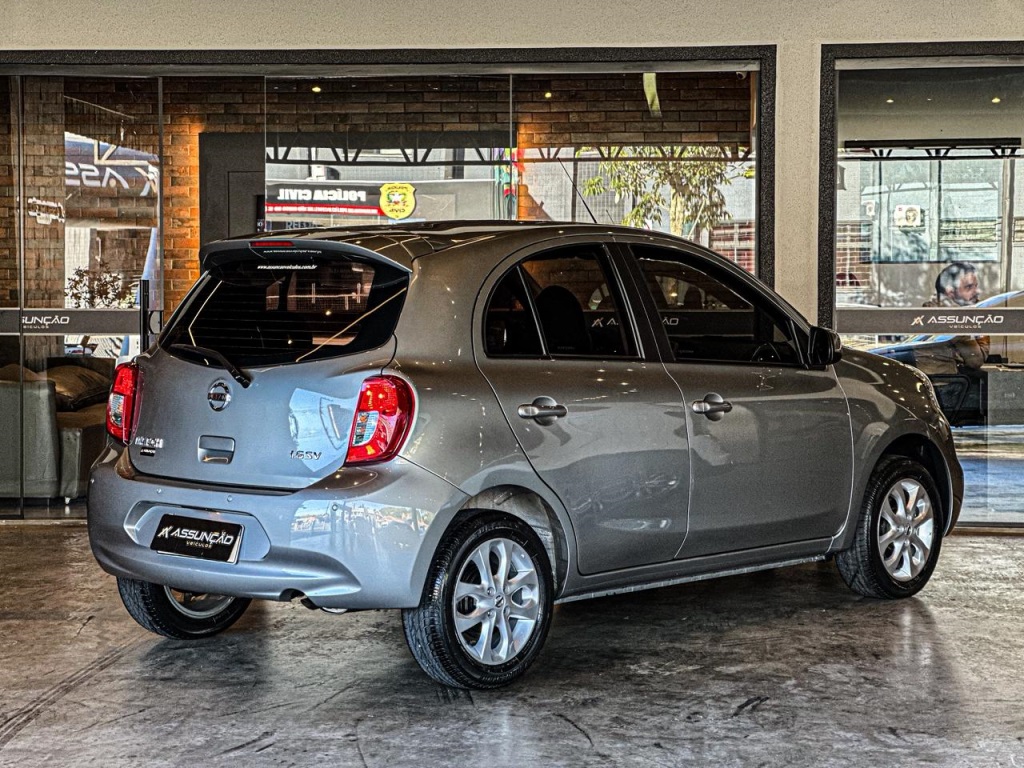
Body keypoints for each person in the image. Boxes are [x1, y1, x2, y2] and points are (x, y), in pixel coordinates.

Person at [913, 262, 990, 374]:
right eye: (969, 287)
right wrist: (981, 322)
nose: (976, 292)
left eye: (975, 286)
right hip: (945, 381)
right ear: (950, 292)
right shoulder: (954, 320)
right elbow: (976, 361)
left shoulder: (928, 314)